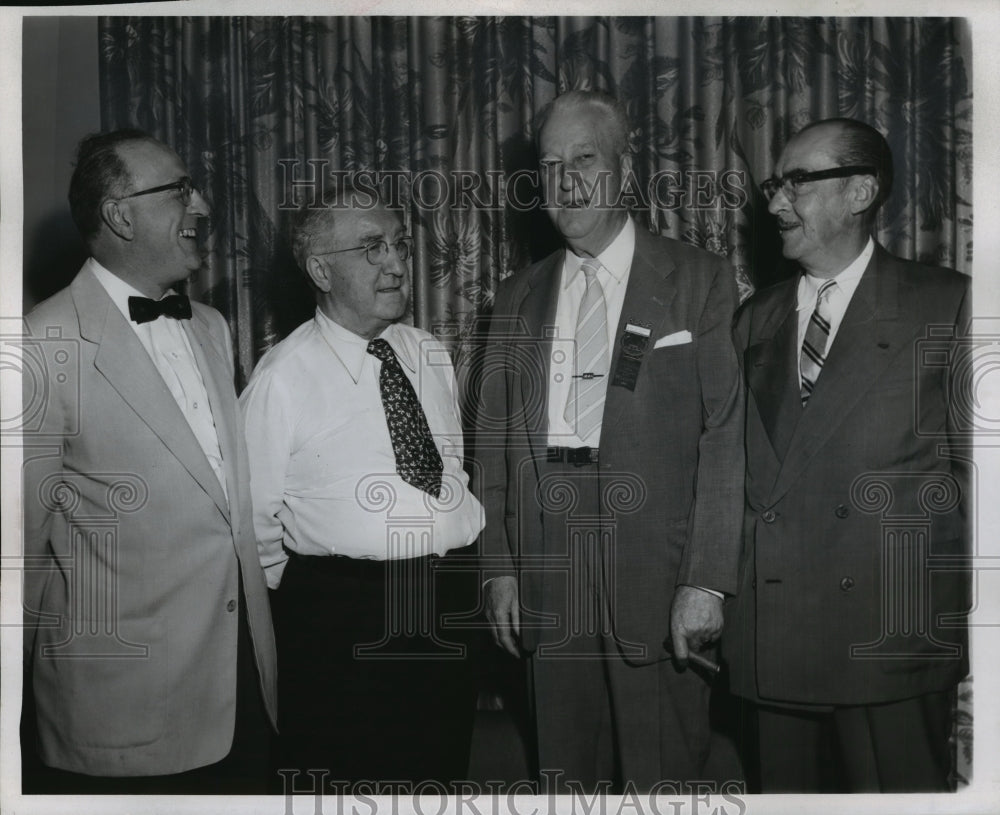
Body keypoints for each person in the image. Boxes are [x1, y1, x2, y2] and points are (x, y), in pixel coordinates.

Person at [477, 90, 744, 792]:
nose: (564, 182)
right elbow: (496, 439)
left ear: (624, 171)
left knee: (663, 782)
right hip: (546, 561)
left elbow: (726, 436)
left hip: (657, 569)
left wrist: (707, 578)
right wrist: (499, 567)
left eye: (584, 159)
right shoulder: (516, 296)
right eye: (550, 164)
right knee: (564, 775)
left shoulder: (698, 280)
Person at [21, 129, 277, 793]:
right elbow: (15, 556)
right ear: (120, 213)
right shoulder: (41, 343)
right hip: (122, 708)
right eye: (179, 190)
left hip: (242, 686)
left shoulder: (213, 327)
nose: (202, 206)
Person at [723, 117, 970, 792]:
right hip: (774, 629)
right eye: (775, 184)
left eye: (796, 182)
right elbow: (734, 475)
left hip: (886, 639)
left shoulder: (946, 305)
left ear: (860, 191)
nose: (774, 201)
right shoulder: (755, 319)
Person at [239, 189, 484, 788]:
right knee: (350, 778)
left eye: (399, 243)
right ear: (321, 270)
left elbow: (452, 472)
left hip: (448, 598)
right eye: (372, 248)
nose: (397, 263)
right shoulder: (282, 377)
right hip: (344, 616)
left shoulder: (427, 352)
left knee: (440, 771)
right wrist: (317, 603)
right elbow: (252, 525)